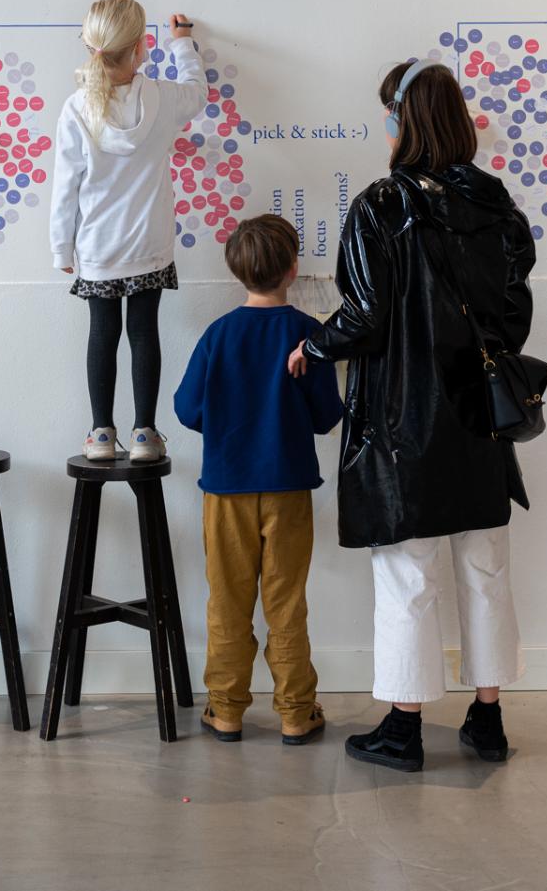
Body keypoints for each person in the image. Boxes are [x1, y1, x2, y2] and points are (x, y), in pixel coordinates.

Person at [288, 58, 536, 773]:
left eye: (387, 115)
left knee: (409, 576)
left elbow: (365, 317)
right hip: (482, 416)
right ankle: (487, 718)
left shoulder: (380, 205)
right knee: (485, 570)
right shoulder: (497, 205)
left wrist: (313, 342)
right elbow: (515, 312)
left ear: (403, 121)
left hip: (405, 420)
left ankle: (403, 727)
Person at [174, 213, 343, 746]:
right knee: (285, 601)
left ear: (236, 272)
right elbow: (325, 417)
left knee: (226, 600)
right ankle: (296, 712)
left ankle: (225, 710)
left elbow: (186, 410)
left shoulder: (218, 334)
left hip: (226, 490)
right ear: (293, 270)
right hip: (289, 487)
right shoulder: (307, 335)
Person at [48, 0, 204, 462]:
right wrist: (184, 44)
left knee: (102, 333)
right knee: (143, 332)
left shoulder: (76, 108)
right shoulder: (162, 97)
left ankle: (99, 434)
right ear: (141, 47)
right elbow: (197, 91)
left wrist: (61, 250)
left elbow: (65, 187)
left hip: (97, 248)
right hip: (149, 243)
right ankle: (144, 435)